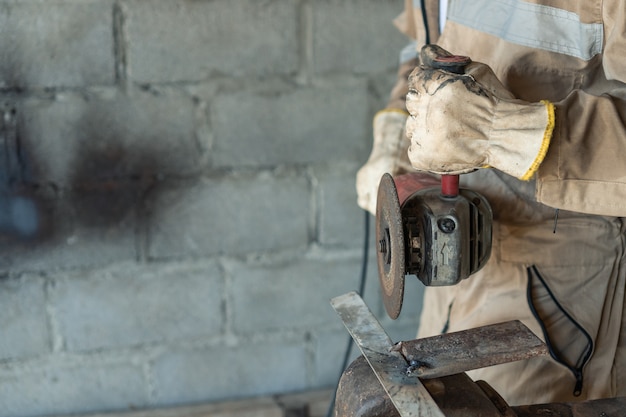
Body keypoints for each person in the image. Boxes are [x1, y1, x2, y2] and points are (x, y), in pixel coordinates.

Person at [356, 0, 626, 406]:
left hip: (560, 276)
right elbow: (426, 43)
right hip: (457, 258)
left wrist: (505, 130)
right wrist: (396, 130)